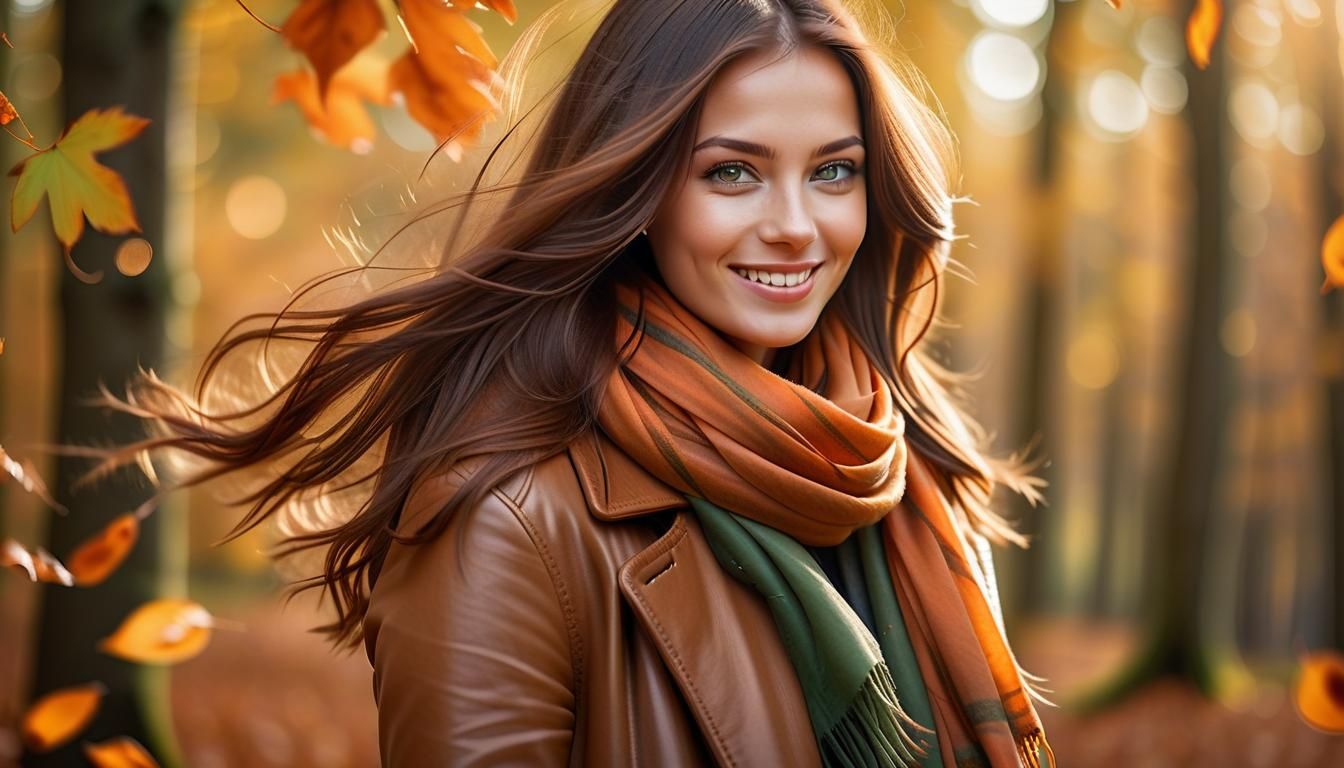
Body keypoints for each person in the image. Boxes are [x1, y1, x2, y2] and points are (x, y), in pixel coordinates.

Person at [109, 0, 1055, 765]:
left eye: (834, 172)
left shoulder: (902, 473)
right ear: (637, 188)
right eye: (733, 174)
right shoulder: (507, 516)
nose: (796, 226)